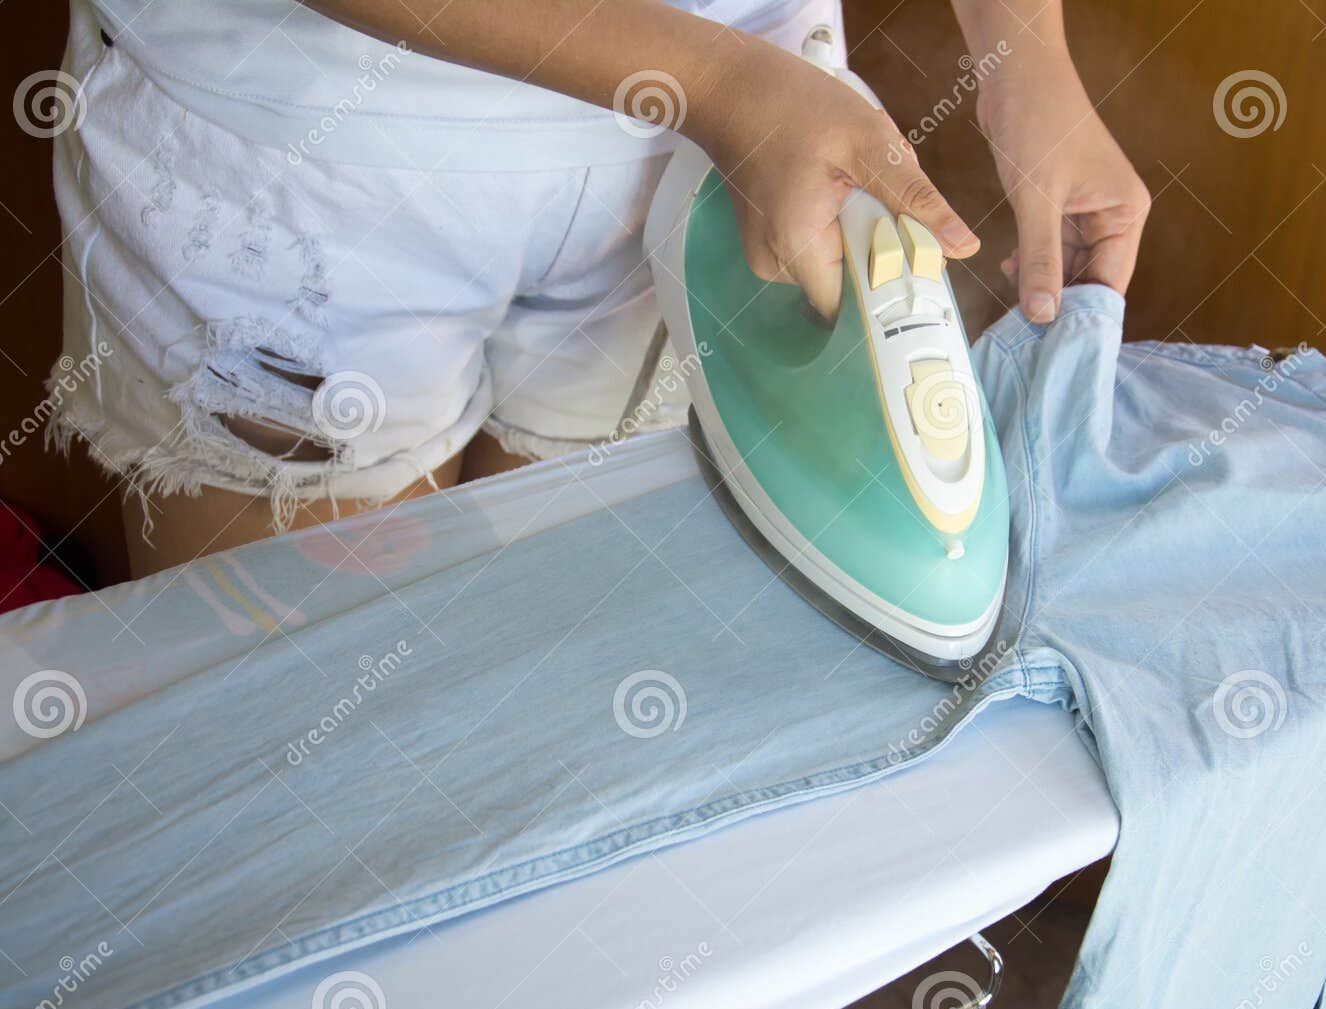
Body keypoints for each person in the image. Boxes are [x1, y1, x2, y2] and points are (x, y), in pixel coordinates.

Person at [51, 0, 1149, 577]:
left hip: (743, 159)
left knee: (554, 680)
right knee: (312, 747)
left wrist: (1025, 59)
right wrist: (717, 84)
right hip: (316, 172)